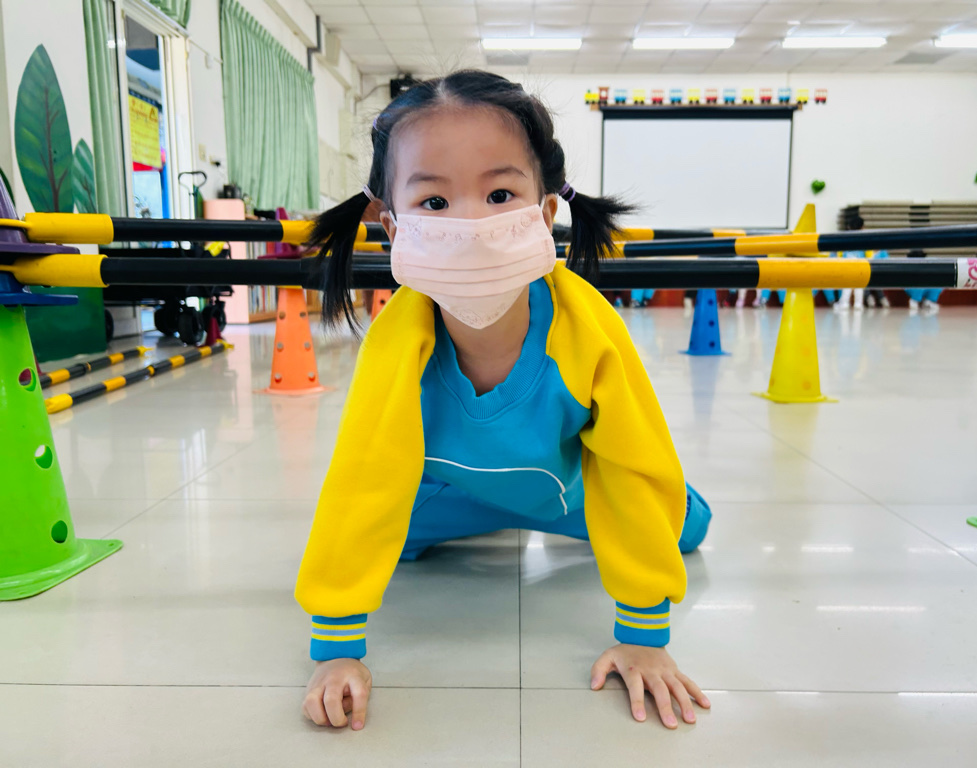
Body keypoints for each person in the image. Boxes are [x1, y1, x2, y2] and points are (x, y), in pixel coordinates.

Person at [296, 71, 712, 733]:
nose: (471, 225)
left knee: (683, 526)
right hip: (441, 493)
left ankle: (656, 519)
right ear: (392, 225)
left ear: (544, 214)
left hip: (562, 492)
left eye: (499, 194)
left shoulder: (587, 330)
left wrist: (643, 634)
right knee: (385, 542)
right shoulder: (397, 341)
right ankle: (476, 517)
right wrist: (336, 648)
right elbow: (363, 478)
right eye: (434, 202)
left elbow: (630, 466)